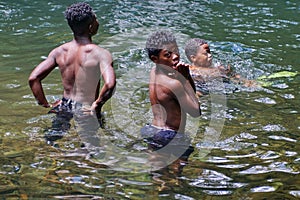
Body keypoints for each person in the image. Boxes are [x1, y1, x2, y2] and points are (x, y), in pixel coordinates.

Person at [28, 2, 116, 149]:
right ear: (91, 26)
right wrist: (97, 104)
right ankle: (80, 167)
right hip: (86, 108)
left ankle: (54, 163)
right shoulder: (101, 54)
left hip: (65, 105)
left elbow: (34, 78)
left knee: (52, 138)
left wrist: (45, 104)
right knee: (92, 146)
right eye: (96, 19)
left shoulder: (59, 51)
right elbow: (110, 84)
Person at [141, 30, 201, 171]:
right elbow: (196, 111)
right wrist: (186, 78)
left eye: (176, 51)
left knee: (156, 169)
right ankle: (172, 187)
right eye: (168, 55)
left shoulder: (153, 72)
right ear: (155, 58)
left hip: (152, 131)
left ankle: (157, 188)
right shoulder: (174, 84)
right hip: (171, 135)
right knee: (177, 171)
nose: (175, 57)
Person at [185, 38, 256, 96]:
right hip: (201, 88)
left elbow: (230, 74)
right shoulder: (190, 71)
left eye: (209, 52)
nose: (210, 55)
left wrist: (244, 80)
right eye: (205, 54)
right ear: (193, 58)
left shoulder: (217, 65)